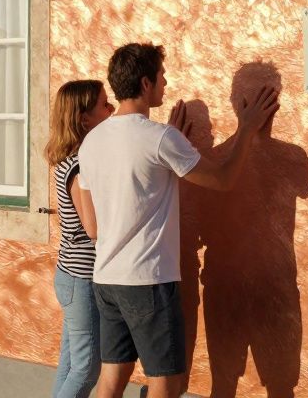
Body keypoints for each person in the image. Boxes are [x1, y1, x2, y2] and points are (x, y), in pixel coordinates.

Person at [78, 43, 279, 398]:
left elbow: (104, 212)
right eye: (161, 76)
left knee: (111, 378)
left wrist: (168, 142)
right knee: (166, 383)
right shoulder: (159, 138)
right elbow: (222, 179)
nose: (166, 83)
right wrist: (246, 130)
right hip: (148, 281)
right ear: (145, 83)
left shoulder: (93, 141)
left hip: (107, 279)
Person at [45, 79, 115, 398]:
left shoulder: (71, 157)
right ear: (85, 118)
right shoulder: (78, 163)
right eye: (104, 104)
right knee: (86, 369)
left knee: (71, 363)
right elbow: (94, 228)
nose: (112, 107)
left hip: (72, 276)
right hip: (81, 278)